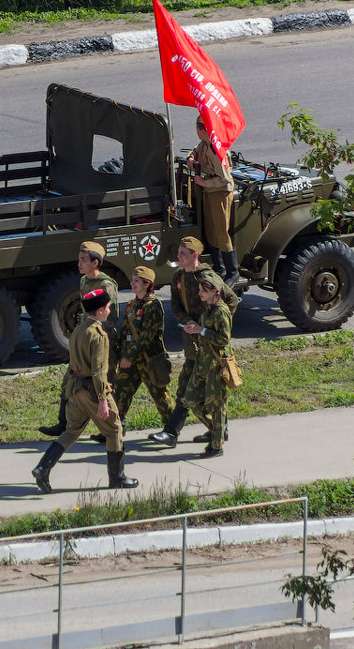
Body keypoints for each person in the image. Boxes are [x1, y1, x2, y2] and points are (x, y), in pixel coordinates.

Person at [31, 287, 139, 493]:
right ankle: (117, 477)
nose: (109, 310)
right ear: (99, 310)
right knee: (114, 429)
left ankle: (43, 467)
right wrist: (103, 401)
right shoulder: (99, 335)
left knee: (71, 431)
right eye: (107, 307)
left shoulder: (79, 330)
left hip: (76, 389)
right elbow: (99, 372)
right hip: (93, 390)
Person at [148, 236, 238, 447]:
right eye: (178, 252)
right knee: (186, 387)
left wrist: (212, 324)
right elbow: (176, 306)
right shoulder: (178, 276)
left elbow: (231, 300)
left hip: (209, 346)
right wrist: (187, 322)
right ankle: (180, 432)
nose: (178, 256)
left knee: (210, 392)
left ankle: (201, 430)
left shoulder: (207, 277)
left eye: (182, 254)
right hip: (191, 342)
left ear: (194, 256)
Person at [39, 241, 120, 438]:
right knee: (70, 378)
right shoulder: (84, 281)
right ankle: (63, 423)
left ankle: (111, 426)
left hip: (102, 339)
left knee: (105, 384)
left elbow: (110, 316)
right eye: (79, 260)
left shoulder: (106, 285)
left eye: (83, 260)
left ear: (95, 262)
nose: (79, 264)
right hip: (85, 337)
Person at [111, 265, 173, 430]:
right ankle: (112, 431)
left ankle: (172, 428)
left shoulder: (153, 306)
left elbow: (146, 337)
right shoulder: (131, 305)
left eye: (137, 281)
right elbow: (124, 331)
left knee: (160, 396)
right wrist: (119, 353)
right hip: (130, 361)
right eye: (132, 280)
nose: (132, 283)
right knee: (119, 394)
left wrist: (128, 356)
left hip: (149, 359)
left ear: (147, 284)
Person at [180, 273, 234, 459]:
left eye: (204, 290)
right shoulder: (208, 308)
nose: (200, 293)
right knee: (191, 399)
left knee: (216, 405)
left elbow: (224, 339)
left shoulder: (221, 311)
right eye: (199, 290)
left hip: (216, 365)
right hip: (203, 362)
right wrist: (194, 330)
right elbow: (204, 334)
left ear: (215, 292)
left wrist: (201, 330)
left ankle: (216, 445)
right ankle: (216, 430)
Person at [188, 118, 239, 285]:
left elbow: (225, 179)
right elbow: (196, 149)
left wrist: (204, 183)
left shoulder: (217, 149)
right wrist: (191, 157)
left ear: (201, 130)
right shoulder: (205, 142)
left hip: (220, 192)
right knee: (210, 229)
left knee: (221, 232)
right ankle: (219, 267)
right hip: (210, 189)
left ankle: (232, 271)